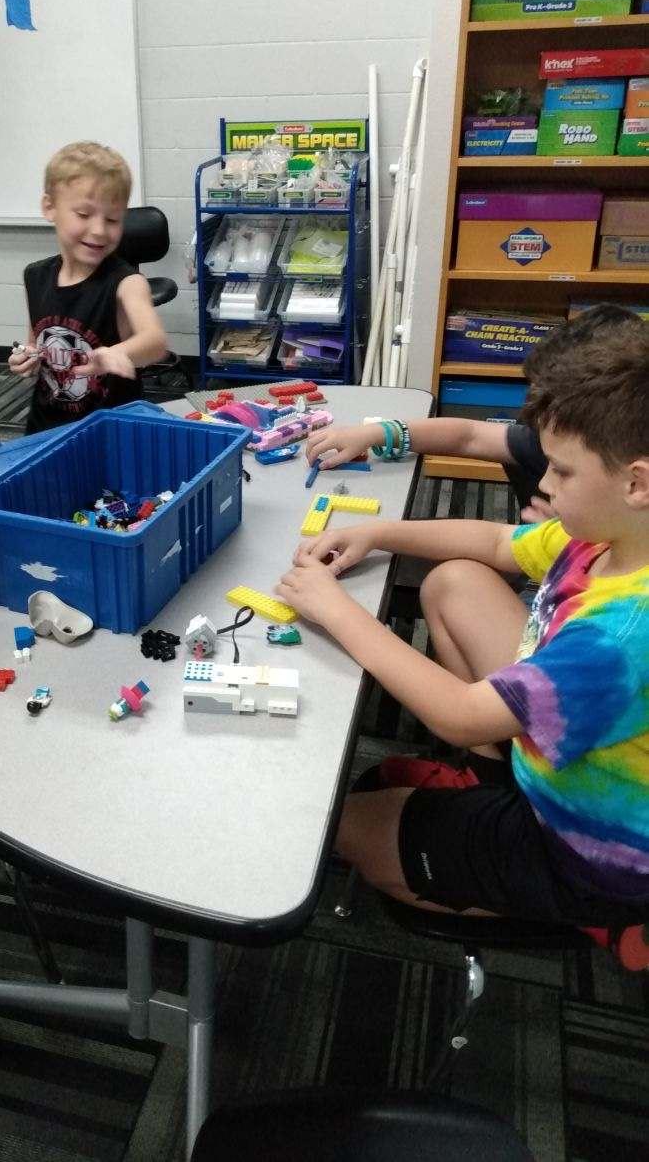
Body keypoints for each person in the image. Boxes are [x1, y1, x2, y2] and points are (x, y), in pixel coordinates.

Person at [278, 325, 649, 967]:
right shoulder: (608, 534)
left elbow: (456, 713)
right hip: (565, 756)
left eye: (561, 470)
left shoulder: (621, 634)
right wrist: (379, 532)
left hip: (586, 851)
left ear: (637, 483)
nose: (546, 486)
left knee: (333, 828)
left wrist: (336, 611)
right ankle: (493, 780)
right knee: (456, 581)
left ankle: (606, 916)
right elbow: (496, 544)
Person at [305, 303, 645, 521]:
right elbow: (470, 436)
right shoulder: (566, 435)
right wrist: (378, 432)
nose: (545, 480)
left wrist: (571, 550)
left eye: (561, 471)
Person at [9, 141, 168, 434]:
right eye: (83, 214)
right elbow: (37, 340)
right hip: (47, 428)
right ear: (50, 207)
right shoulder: (35, 276)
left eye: (112, 219)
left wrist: (118, 353)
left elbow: (155, 341)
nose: (99, 230)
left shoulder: (127, 282)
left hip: (108, 432)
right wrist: (28, 356)